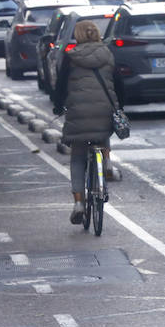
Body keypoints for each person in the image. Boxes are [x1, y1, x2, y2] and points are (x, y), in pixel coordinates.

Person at [51, 19, 118, 226]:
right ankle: (106, 162)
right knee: (102, 130)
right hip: (103, 109)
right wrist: (119, 107)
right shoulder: (107, 54)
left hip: (78, 113)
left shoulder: (71, 57)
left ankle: (79, 203)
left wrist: (58, 106)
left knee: (78, 158)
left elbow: (60, 87)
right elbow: (119, 85)